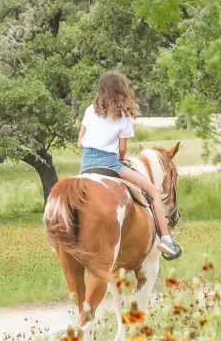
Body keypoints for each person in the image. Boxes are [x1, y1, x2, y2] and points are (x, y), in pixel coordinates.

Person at [77, 70, 182, 259]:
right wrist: (120, 156)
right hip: (111, 164)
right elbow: (122, 149)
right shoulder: (123, 115)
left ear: (100, 90)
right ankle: (167, 239)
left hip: (86, 166)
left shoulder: (89, 110)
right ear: (121, 91)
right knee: (153, 191)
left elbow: (80, 142)